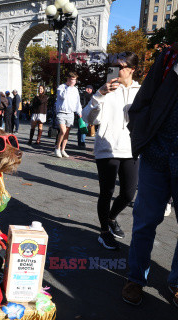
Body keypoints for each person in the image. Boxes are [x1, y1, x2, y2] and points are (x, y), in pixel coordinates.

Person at [121, 44, 178, 306]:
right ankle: (136, 277)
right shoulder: (170, 57)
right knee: (145, 221)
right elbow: (142, 101)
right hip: (157, 154)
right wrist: (142, 134)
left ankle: (175, 281)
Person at [82, 52, 141, 251]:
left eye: (121, 66)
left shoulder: (140, 91)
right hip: (107, 148)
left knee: (128, 193)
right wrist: (99, 95)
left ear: (132, 69)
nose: (116, 70)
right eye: (113, 66)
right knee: (106, 192)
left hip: (131, 149)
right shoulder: (105, 90)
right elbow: (88, 118)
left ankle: (111, 218)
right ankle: (104, 232)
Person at [54, 71, 82, 158]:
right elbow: (62, 96)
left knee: (66, 133)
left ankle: (63, 149)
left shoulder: (75, 89)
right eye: (72, 80)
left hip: (70, 113)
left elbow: (77, 102)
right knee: (62, 131)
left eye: (75, 80)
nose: (74, 82)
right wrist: (68, 87)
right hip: (61, 112)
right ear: (68, 79)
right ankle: (57, 148)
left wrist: (79, 112)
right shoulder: (62, 87)